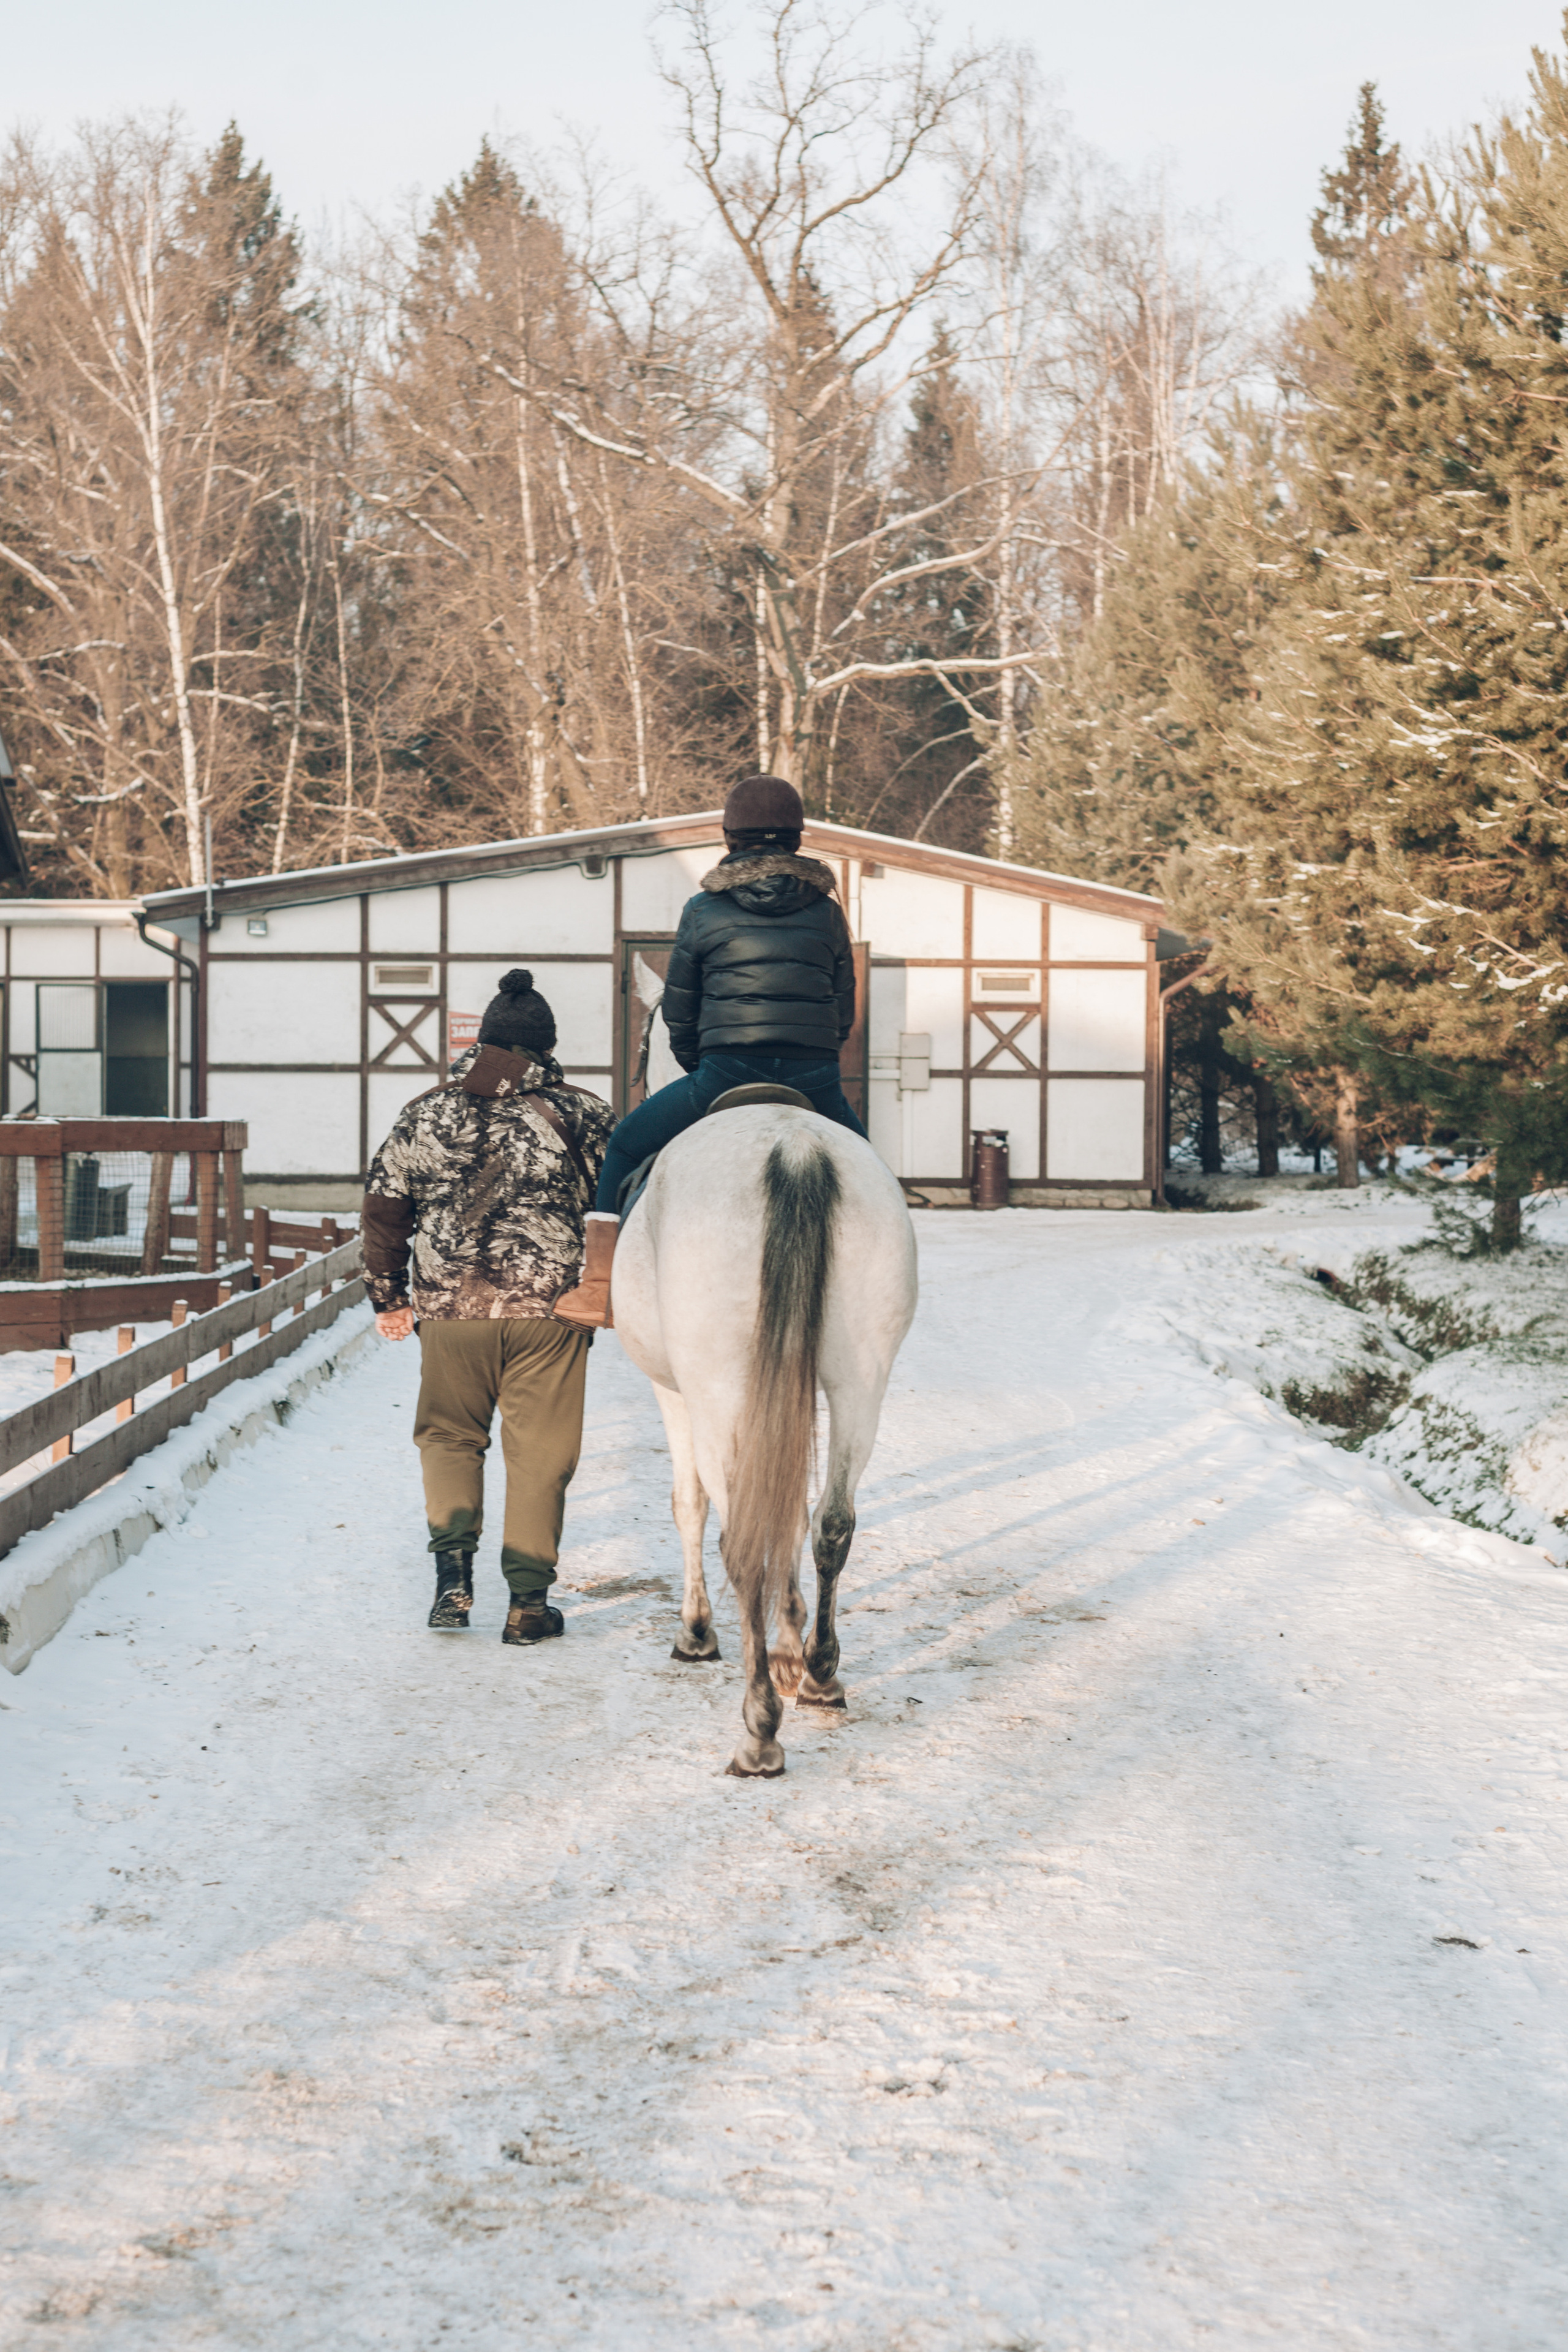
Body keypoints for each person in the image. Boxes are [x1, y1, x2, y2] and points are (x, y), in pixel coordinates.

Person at [554, 774, 865, 1330]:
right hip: (815, 1079)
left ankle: (599, 1286)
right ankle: (869, 1288)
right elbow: (844, 1007)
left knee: (625, 1145)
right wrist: (820, 1054)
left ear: (730, 837)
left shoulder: (704, 909)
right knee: (871, 1174)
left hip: (725, 1073)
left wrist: (699, 1064)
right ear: (797, 838)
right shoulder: (827, 912)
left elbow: (680, 1006)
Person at [362, 969, 615, 1644]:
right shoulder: (586, 1112)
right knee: (539, 1455)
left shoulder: (424, 1112)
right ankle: (528, 1607)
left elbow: (385, 1210)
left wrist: (388, 1297)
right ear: (548, 1045)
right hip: (551, 1313)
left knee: (449, 1437)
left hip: (450, 1310)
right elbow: (619, 1210)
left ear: (484, 1040)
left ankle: (453, 1582)